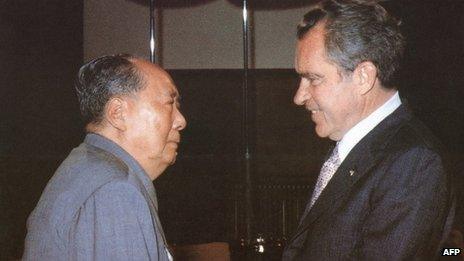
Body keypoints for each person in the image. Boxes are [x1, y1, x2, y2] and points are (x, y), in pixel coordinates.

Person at [282, 0, 454, 260]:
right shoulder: (357, 147)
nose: (299, 96)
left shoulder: (414, 163)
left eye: (314, 79)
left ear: (363, 77)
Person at [23, 54, 186, 260]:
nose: (181, 121)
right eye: (169, 103)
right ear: (118, 113)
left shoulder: (90, 169)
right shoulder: (114, 190)